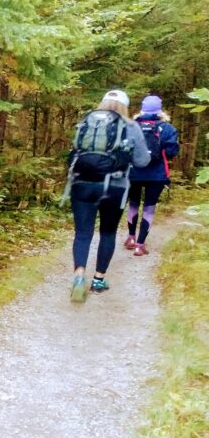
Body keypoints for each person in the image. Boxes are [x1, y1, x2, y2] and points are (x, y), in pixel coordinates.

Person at [67, 89, 150, 302]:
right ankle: (98, 280)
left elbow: (75, 152)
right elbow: (142, 161)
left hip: (82, 184)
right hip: (115, 186)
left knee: (83, 233)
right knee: (107, 232)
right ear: (125, 106)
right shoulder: (131, 126)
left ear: (102, 103)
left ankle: (78, 276)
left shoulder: (86, 122)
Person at [124, 95, 180, 256]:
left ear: (142, 109)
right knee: (149, 208)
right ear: (160, 110)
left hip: (133, 173)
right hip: (156, 174)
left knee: (133, 204)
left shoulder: (131, 126)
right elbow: (171, 152)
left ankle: (131, 238)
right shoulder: (168, 128)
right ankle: (140, 246)